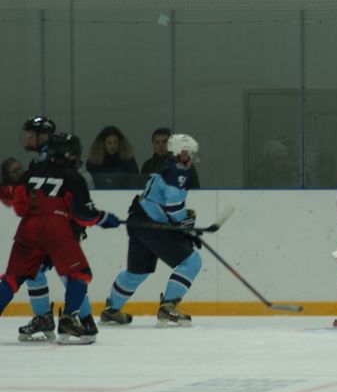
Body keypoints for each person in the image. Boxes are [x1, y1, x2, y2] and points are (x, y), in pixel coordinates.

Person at [0, 132, 121, 344]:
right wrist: (104, 218)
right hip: (57, 228)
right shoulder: (73, 177)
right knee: (79, 274)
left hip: (28, 229)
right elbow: (83, 215)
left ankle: (46, 319)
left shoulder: (32, 171)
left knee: (13, 278)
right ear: (68, 154)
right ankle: (68, 320)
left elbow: (20, 207)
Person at [100, 134, 202, 327]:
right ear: (180, 153)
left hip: (138, 222)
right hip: (151, 227)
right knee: (192, 261)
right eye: (189, 154)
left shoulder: (165, 167)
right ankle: (168, 308)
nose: (191, 158)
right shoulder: (178, 172)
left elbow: (164, 205)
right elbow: (173, 208)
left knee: (137, 272)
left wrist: (183, 225)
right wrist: (184, 225)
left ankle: (111, 310)